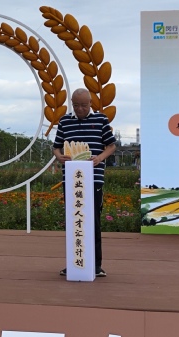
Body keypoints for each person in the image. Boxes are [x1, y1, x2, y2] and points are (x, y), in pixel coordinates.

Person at [52, 88, 116, 277]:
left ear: (90, 104)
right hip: (71, 180)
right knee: (74, 221)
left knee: (92, 221)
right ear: (72, 104)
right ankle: (74, 263)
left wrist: (99, 158)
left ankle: (95, 265)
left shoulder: (101, 119)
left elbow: (111, 146)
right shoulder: (64, 121)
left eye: (84, 105)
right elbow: (56, 147)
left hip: (93, 178)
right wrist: (59, 157)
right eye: (76, 105)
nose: (80, 109)